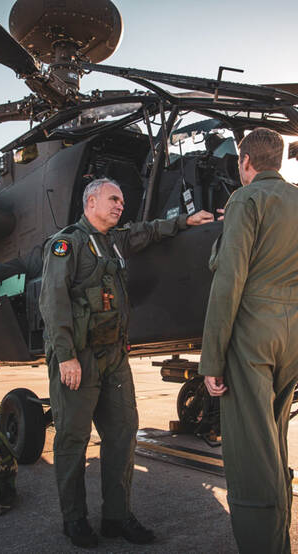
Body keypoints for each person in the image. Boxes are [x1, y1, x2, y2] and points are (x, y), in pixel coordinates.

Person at [39, 178, 213, 548]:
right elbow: (53, 303)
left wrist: (185, 222)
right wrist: (66, 355)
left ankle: (117, 517)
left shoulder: (114, 242)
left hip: (114, 357)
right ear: (91, 202)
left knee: (121, 436)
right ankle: (74, 520)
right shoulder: (66, 245)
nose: (120, 206)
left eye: (122, 200)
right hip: (79, 359)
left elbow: (146, 232)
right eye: (113, 199)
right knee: (73, 439)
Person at [199, 127, 298, 553]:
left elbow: (229, 282)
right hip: (293, 331)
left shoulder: (246, 199)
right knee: (275, 439)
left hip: (252, 331)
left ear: (246, 161)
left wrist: (211, 360)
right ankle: (279, 540)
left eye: (239, 162)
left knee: (251, 455)